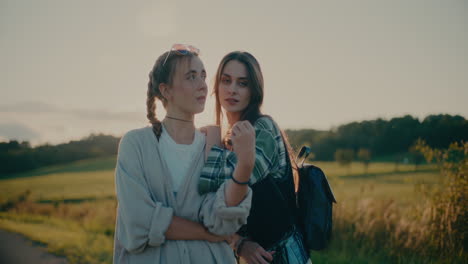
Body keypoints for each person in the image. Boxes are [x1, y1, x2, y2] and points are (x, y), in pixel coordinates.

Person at [113, 44, 257, 264]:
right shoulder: (136, 144)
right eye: (191, 77)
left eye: (203, 76)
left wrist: (245, 165)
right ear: (166, 90)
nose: (203, 85)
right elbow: (139, 219)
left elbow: (221, 222)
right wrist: (205, 234)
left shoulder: (214, 146)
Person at [199, 51, 311, 264]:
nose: (232, 89)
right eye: (226, 80)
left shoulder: (263, 130)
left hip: (286, 256)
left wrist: (210, 138)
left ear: (254, 91)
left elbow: (216, 185)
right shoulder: (229, 138)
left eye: (242, 83)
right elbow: (215, 209)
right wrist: (238, 242)